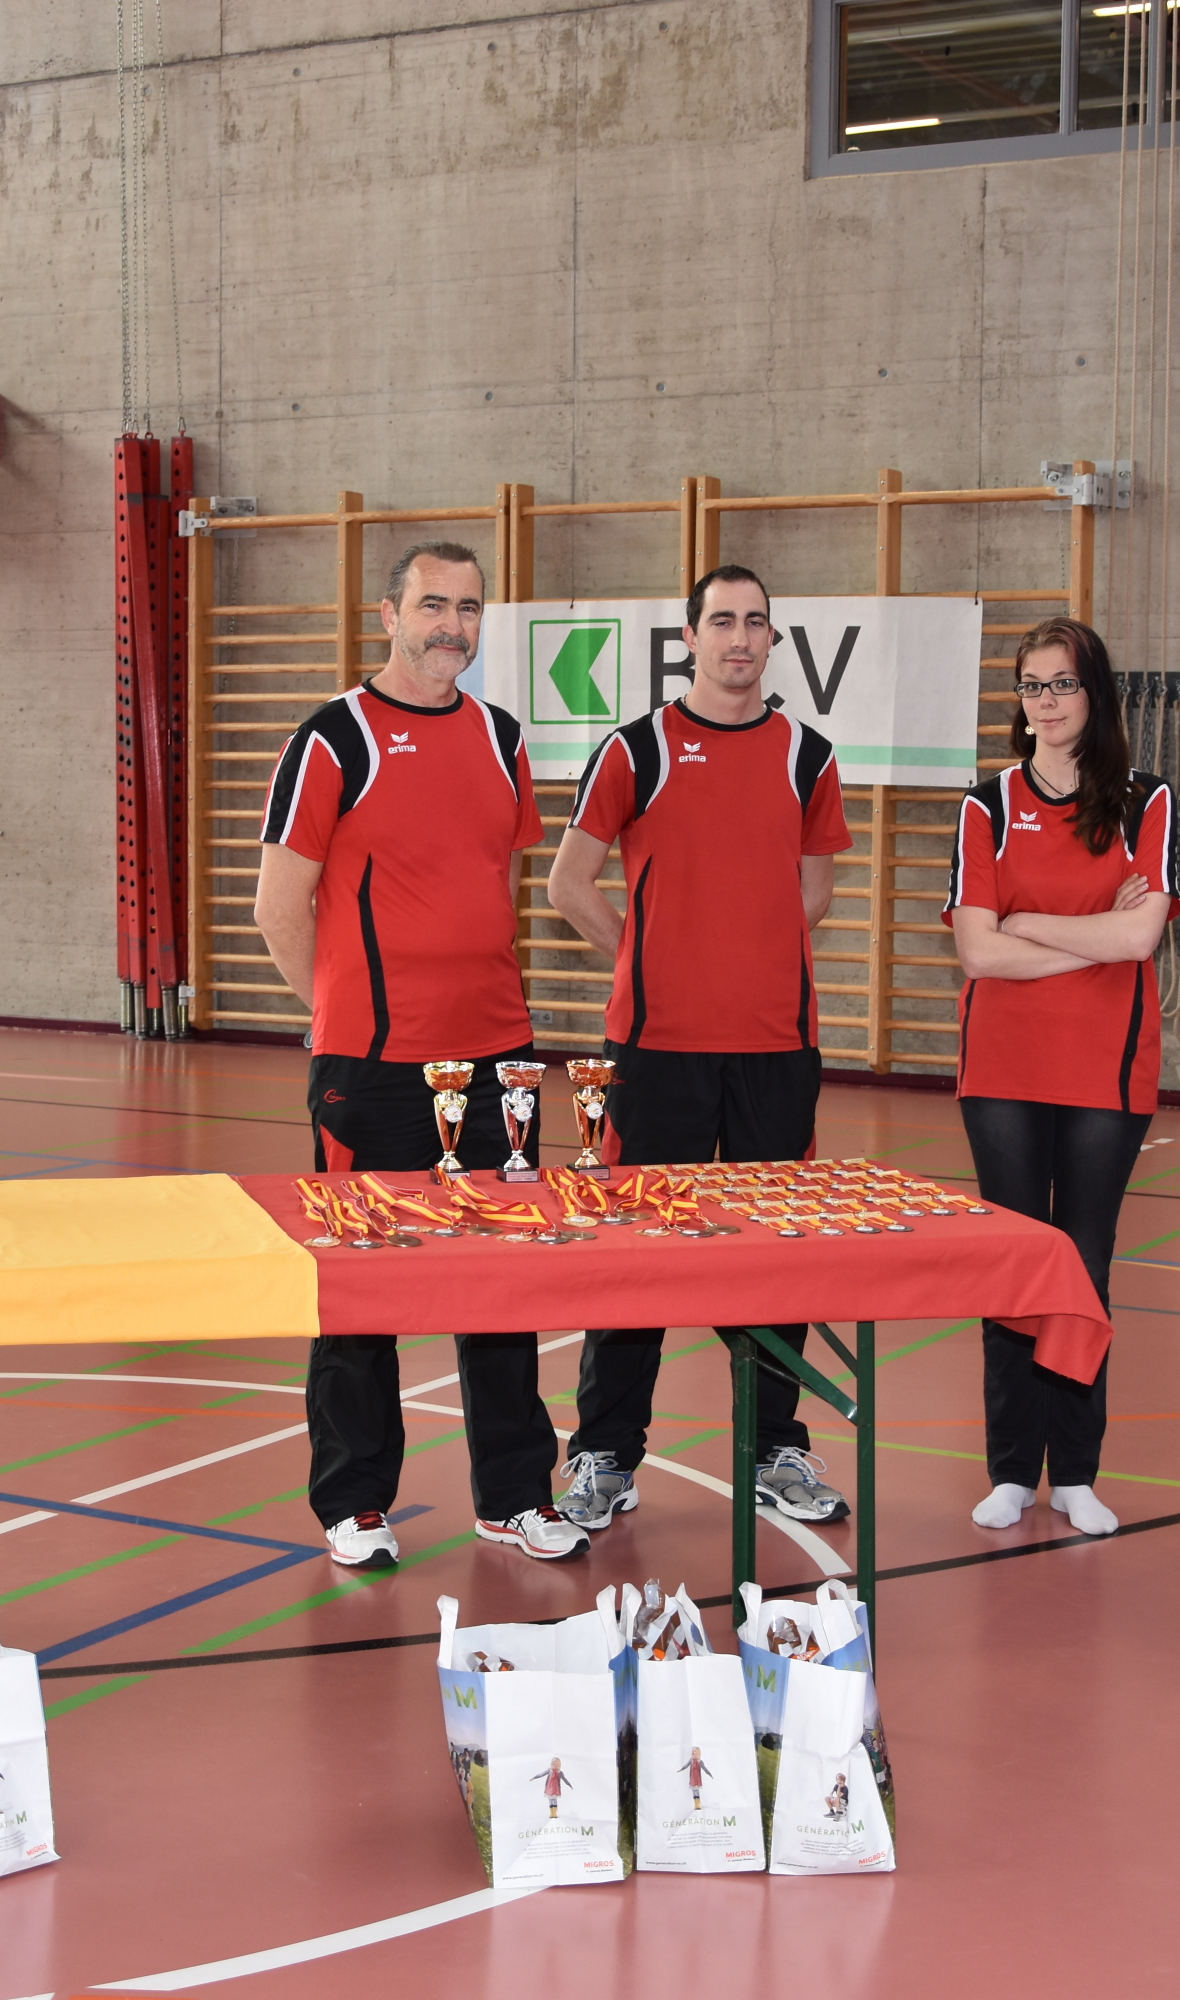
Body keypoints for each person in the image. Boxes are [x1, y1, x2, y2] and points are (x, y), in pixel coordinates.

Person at [255, 541, 587, 1567]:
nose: (452, 625)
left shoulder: (501, 737)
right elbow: (277, 906)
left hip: (500, 1063)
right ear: (389, 615)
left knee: (503, 1280)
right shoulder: (332, 738)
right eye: (433, 604)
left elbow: (487, 882)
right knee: (362, 1285)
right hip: (373, 1067)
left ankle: (515, 1494)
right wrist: (343, 1020)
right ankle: (355, 1503)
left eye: (469, 608)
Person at [544, 564, 855, 1532]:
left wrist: (743, 954)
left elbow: (813, 894)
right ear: (690, 637)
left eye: (756, 622)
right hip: (656, 1049)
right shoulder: (636, 747)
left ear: (772, 640)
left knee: (773, 1256)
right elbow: (567, 883)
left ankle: (773, 1449)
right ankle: (605, 1452)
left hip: (775, 1050)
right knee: (636, 1251)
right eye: (722, 620)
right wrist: (649, 955)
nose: (740, 638)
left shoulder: (808, 753)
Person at [947, 617, 1175, 1537]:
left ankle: (1075, 1471)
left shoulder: (1146, 801)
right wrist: (1089, 939)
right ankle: (1011, 1469)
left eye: (1063, 684)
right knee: (1012, 1263)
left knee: (1083, 1264)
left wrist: (1027, 923)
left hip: (1105, 1070)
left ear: (1096, 693)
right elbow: (977, 953)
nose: (1046, 702)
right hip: (1003, 1066)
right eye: (1032, 686)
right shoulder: (987, 805)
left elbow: (1142, 935)